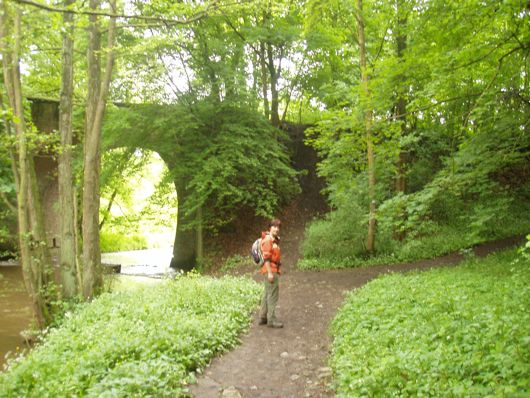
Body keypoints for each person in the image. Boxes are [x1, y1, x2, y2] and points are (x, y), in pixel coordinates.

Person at [258, 219, 283, 328]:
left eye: (278, 227)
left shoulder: (272, 240)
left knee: (267, 293)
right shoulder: (268, 240)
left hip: (271, 269)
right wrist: (270, 273)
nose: (277, 229)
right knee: (272, 295)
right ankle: (271, 320)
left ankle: (263, 317)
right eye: (274, 226)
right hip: (270, 270)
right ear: (270, 227)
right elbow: (267, 258)